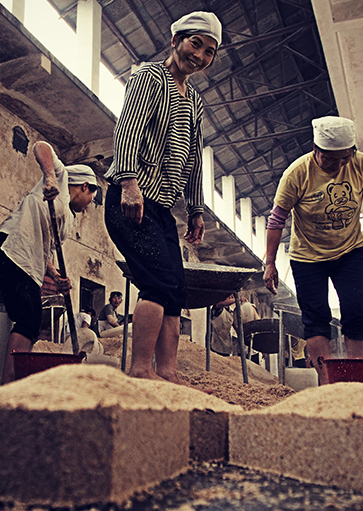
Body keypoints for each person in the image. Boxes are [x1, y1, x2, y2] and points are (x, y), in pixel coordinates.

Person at [104, 11, 220, 383]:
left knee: (176, 289)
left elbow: (194, 158)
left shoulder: (195, 101)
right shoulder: (149, 78)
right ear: (175, 41)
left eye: (209, 51)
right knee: (156, 281)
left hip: (162, 208)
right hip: (131, 199)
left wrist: (196, 209)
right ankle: (141, 370)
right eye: (195, 44)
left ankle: (167, 373)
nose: (199, 55)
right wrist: (128, 183)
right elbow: (128, 129)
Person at [263, 116, 363, 374]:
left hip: (349, 251)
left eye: (345, 158)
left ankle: (355, 377)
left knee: (356, 310)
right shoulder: (296, 174)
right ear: (316, 150)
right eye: (331, 160)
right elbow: (276, 220)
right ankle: (326, 381)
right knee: (315, 318)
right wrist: (270, 263)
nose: (339, 165)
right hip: (307, 258)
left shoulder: (362, 165)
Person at [0, 141, 97, 382]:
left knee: (31, 321)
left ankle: (15, 378)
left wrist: (56, 277)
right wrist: (49, 178)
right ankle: (9, 382)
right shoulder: (60, 177)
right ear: (85, 186)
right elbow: (41, 146)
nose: (89, 204)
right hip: (12, 249)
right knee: (28, 319)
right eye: (91, 198)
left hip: (29, 263)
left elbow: (46, 252)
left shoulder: (68, 220)